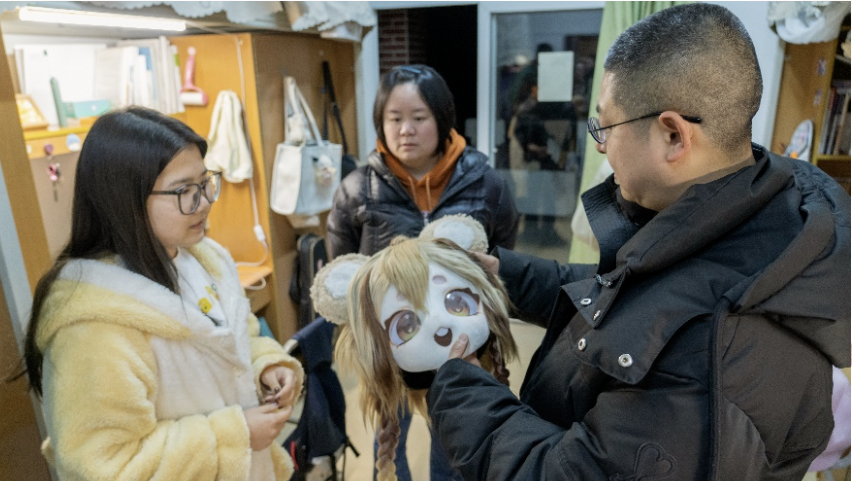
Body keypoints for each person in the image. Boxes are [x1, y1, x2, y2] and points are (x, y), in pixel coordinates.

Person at [426, 4, 851, 480]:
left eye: (606, 126)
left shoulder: (712, 352)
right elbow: (631, 297)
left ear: (673, 135)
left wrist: (463, 391)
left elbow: (570, 474)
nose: (600, 145)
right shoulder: (747, 214)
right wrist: (506, 276)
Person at [18, 107, 304, 480]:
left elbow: (236, 336)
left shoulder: (203, 260)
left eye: (205, 182)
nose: (205, 201)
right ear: (125, 200)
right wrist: (235, 436)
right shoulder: (93, 326)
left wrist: (267, 364)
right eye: (184, 191)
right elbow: (103, 466)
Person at [326, 64, 519, 480]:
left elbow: (501, 254)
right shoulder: (357, 188)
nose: (405, 130)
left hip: (456, 340)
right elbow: (343, 260)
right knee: (389, 434)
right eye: (394, 118)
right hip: (391, 344)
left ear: (442, 118)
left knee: (453, 433)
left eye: (419, 117)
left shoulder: (485, 182)